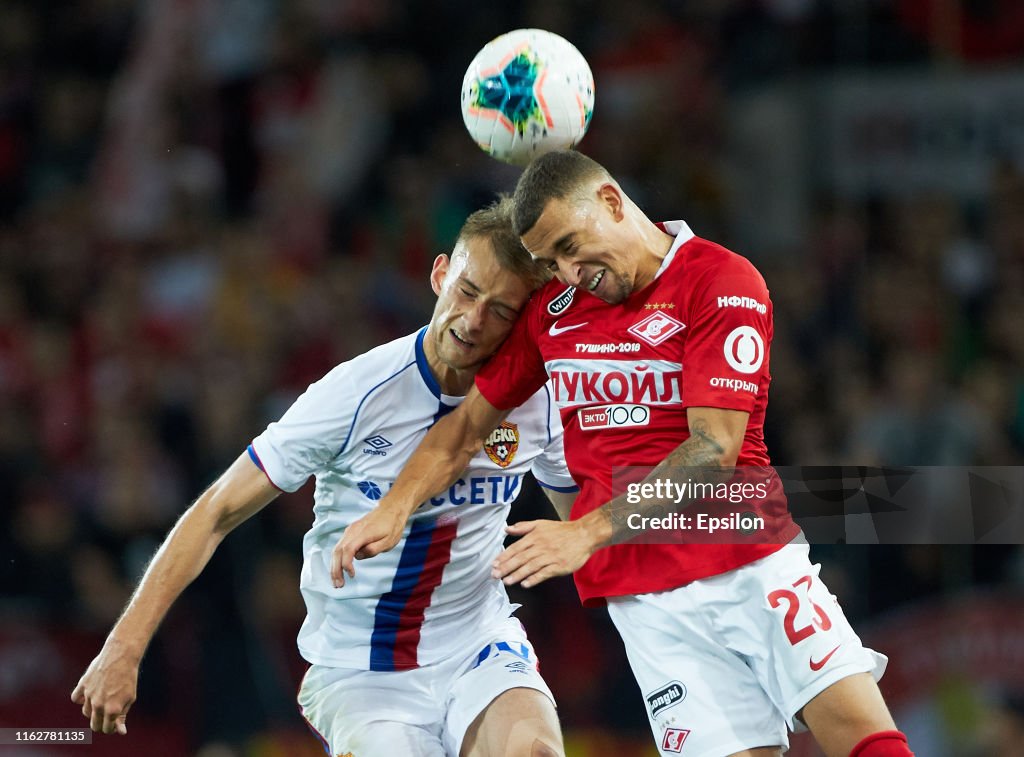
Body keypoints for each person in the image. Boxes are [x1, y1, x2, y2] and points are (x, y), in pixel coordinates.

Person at [334, 150, 914, 757]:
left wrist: (585, 532)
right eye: (550, 260)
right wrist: (395, 506)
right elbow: (462, 431)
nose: (567, 271)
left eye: (569, 244)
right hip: (646, 603)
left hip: (747, 557)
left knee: (865, 740)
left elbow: (714, 447)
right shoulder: (552, 317)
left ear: (611, 202)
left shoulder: (720, 280)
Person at [71, 198, 578, 757]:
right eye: (467, 291)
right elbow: (215, 511)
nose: (474, 319)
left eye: (502, 310)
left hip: (478, 645)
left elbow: (577, 515)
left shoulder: (540, 400)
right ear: (439, 275)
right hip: (363, 672)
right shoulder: (357, 392)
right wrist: (123, 646)